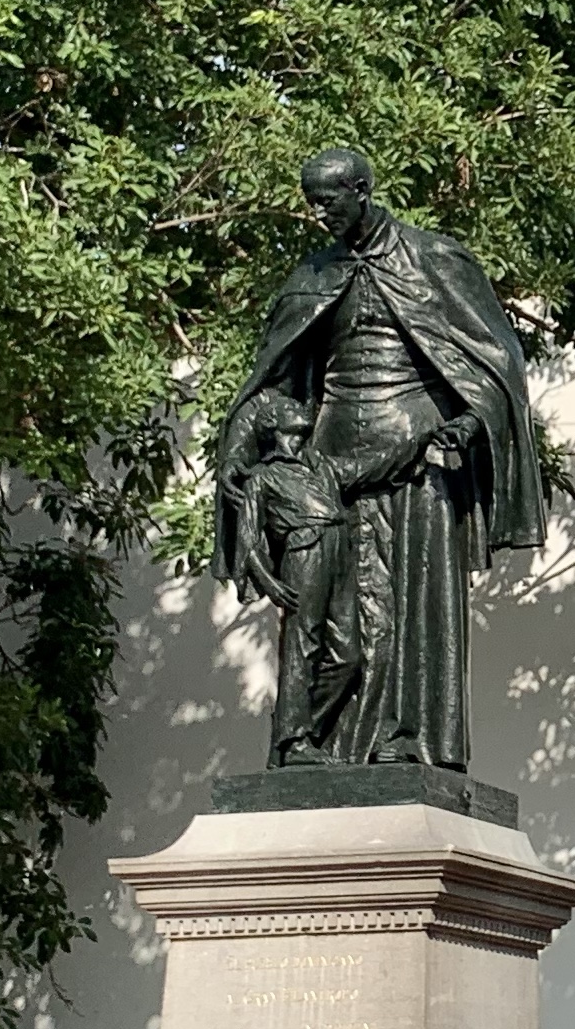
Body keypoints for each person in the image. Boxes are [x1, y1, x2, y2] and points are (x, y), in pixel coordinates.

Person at [214, 147, 542, 774]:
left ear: (362, 191)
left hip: (417, 460)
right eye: (311, 203)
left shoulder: (434, 259)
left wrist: (469, 421)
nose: (319, 214)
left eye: (328, 201)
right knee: (325, 613)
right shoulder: (315, 274)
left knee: (412, 603)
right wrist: (238, 447)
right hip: (330, 466)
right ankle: (308, 743)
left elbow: (496, 362)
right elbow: (275, 376)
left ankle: (409, 738)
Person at [214, 390, 359, 766]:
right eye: (290, 408)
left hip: (338, 549)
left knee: (349, 656)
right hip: (305, 552)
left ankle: (297, 729)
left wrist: (417, 444)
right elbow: (247, 541)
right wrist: (268, 581)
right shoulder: (262, 477)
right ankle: (295, 743)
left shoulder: (320, 466)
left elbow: (369, 467)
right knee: (302, 645)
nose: (300, 407)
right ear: (274, 424)